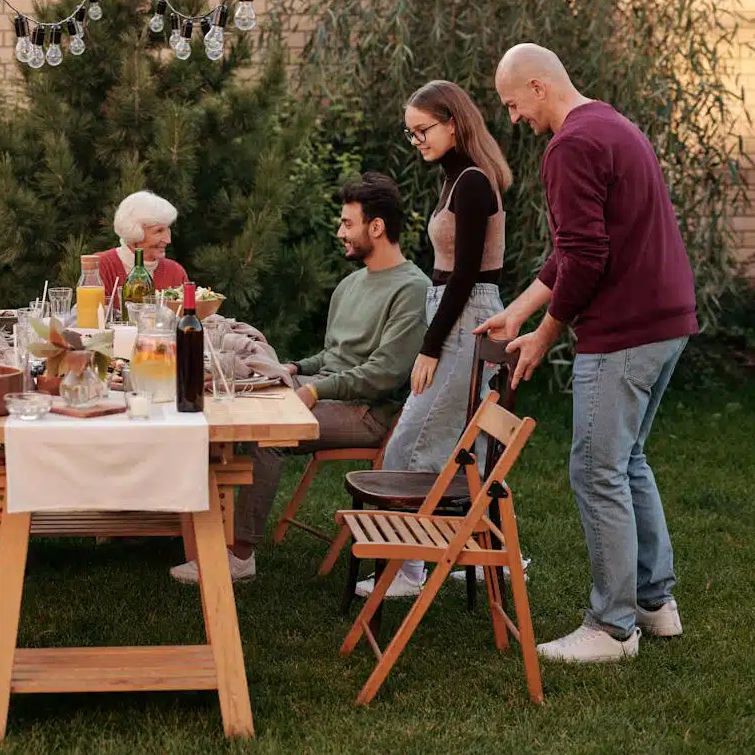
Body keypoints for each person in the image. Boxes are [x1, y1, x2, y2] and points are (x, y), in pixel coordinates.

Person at [481, 43, 697, 662]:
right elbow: (576, 247)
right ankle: (655, 606)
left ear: (540, 86)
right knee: (627, 462)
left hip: (624, 332)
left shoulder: (570, 145)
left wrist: (546, 333)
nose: (514, 117)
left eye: (513, 102)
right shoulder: (612, 124)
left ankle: (611, 628)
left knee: (596, 470)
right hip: (666, 323)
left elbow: (587, 256)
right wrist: (519, 310)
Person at [170, 173, 430, 584]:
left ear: (376, 227)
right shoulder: (350, 284)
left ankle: (239, 556)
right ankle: (181, 525)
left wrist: (313, 389)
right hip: (329, 393)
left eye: (347, 223)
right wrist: (294, 369)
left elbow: (384, 374)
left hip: (367, 412)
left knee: (267, 435)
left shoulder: (413, 289)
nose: (339, 231)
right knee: (224, 403)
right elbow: (334, 355)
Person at [353, 80, 513, 600]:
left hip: (465, 316)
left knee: (412, 441)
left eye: (423, 130)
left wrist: (430, 346)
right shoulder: (455, 179)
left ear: (452, 122)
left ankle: (407, 568)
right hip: (454, 312)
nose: (417, 139)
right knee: (439, 438)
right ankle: (464, 554)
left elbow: (466, 273)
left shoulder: (470, 182)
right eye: (411, 133)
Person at [96, 190, 189, 296]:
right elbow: (88, 311)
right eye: (159, 231)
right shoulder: (101, 266)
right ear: (134, 232)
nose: (168, 240)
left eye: (168, 230)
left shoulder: (175, 273)